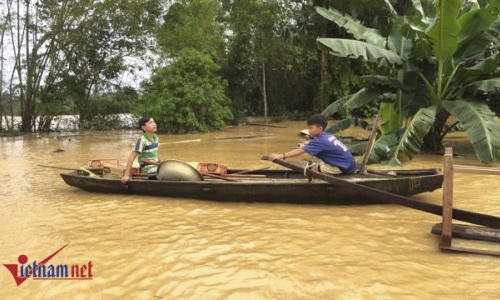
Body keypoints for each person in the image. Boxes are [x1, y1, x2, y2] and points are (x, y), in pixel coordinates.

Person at [269, 114, 357, 175]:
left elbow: (299, 151)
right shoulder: (327, 135)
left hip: (343, 168)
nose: (309, 130)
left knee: (313, 168)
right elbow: (315, 145)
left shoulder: (320, 141)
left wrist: (281, 156)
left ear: (320, 128)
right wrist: (306, 145)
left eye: (311, 128)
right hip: (350, 165)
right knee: (316, 162)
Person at [121, 115, 161, 184]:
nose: (154, 124)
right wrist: (126, 175)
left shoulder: (156, 138)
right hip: (148, 169)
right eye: (150, 123)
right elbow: (132, 157)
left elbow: (156, 152)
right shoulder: (142, 140)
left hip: (156, 166)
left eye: (154, 122)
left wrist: (162, 163)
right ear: (143, 127)